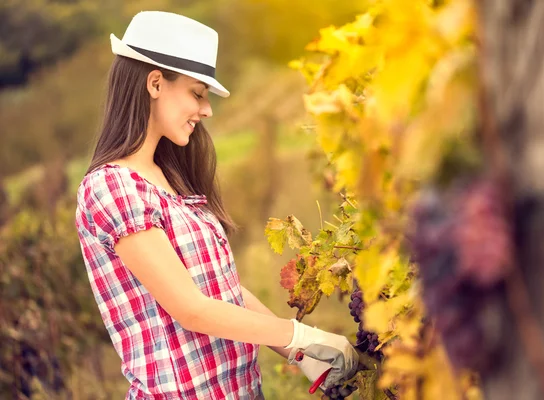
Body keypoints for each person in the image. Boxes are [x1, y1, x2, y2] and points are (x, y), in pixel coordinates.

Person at [74, 10, 358, 400]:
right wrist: (300, 335)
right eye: (197, 93)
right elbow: (190, 309)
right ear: (155, 83)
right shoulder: (112, 187)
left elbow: (222, 292)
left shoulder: (170, 181)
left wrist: (295, 350)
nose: (206, 110)